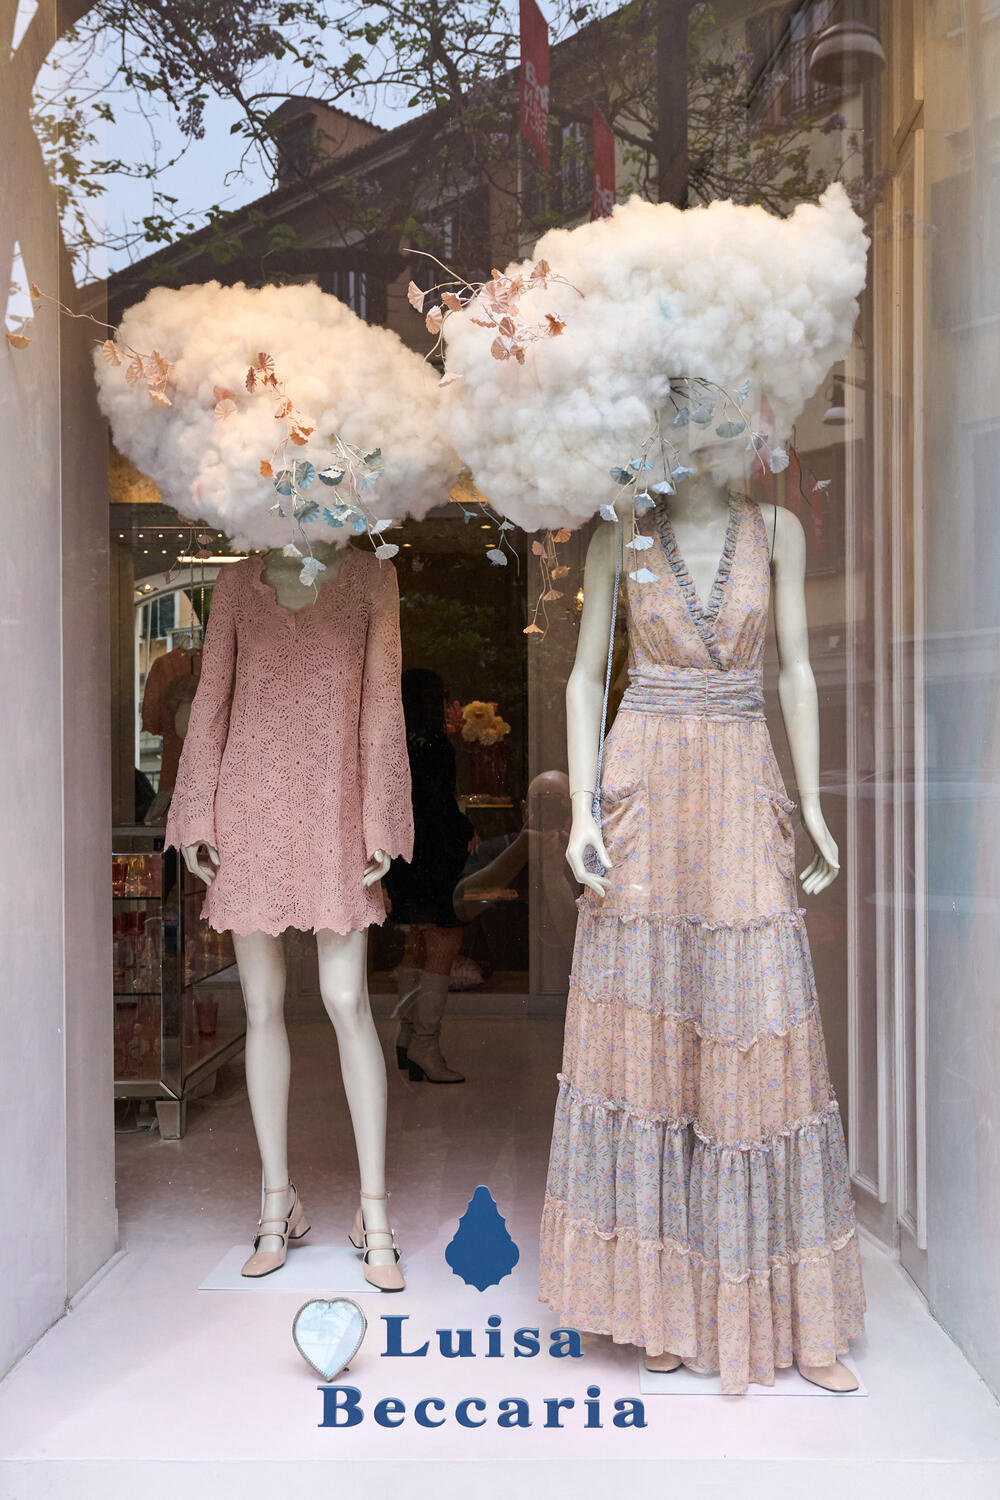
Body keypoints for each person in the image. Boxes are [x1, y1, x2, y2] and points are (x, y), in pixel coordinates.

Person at [385, 669, 476, 1083]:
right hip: (434, 856)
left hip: (405, 857)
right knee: (443, 942)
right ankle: (424, 1045)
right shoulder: (434, 744)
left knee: (416, 942)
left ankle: (407, 1038)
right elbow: (438, 807)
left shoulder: (396, 744)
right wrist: (466, 829)